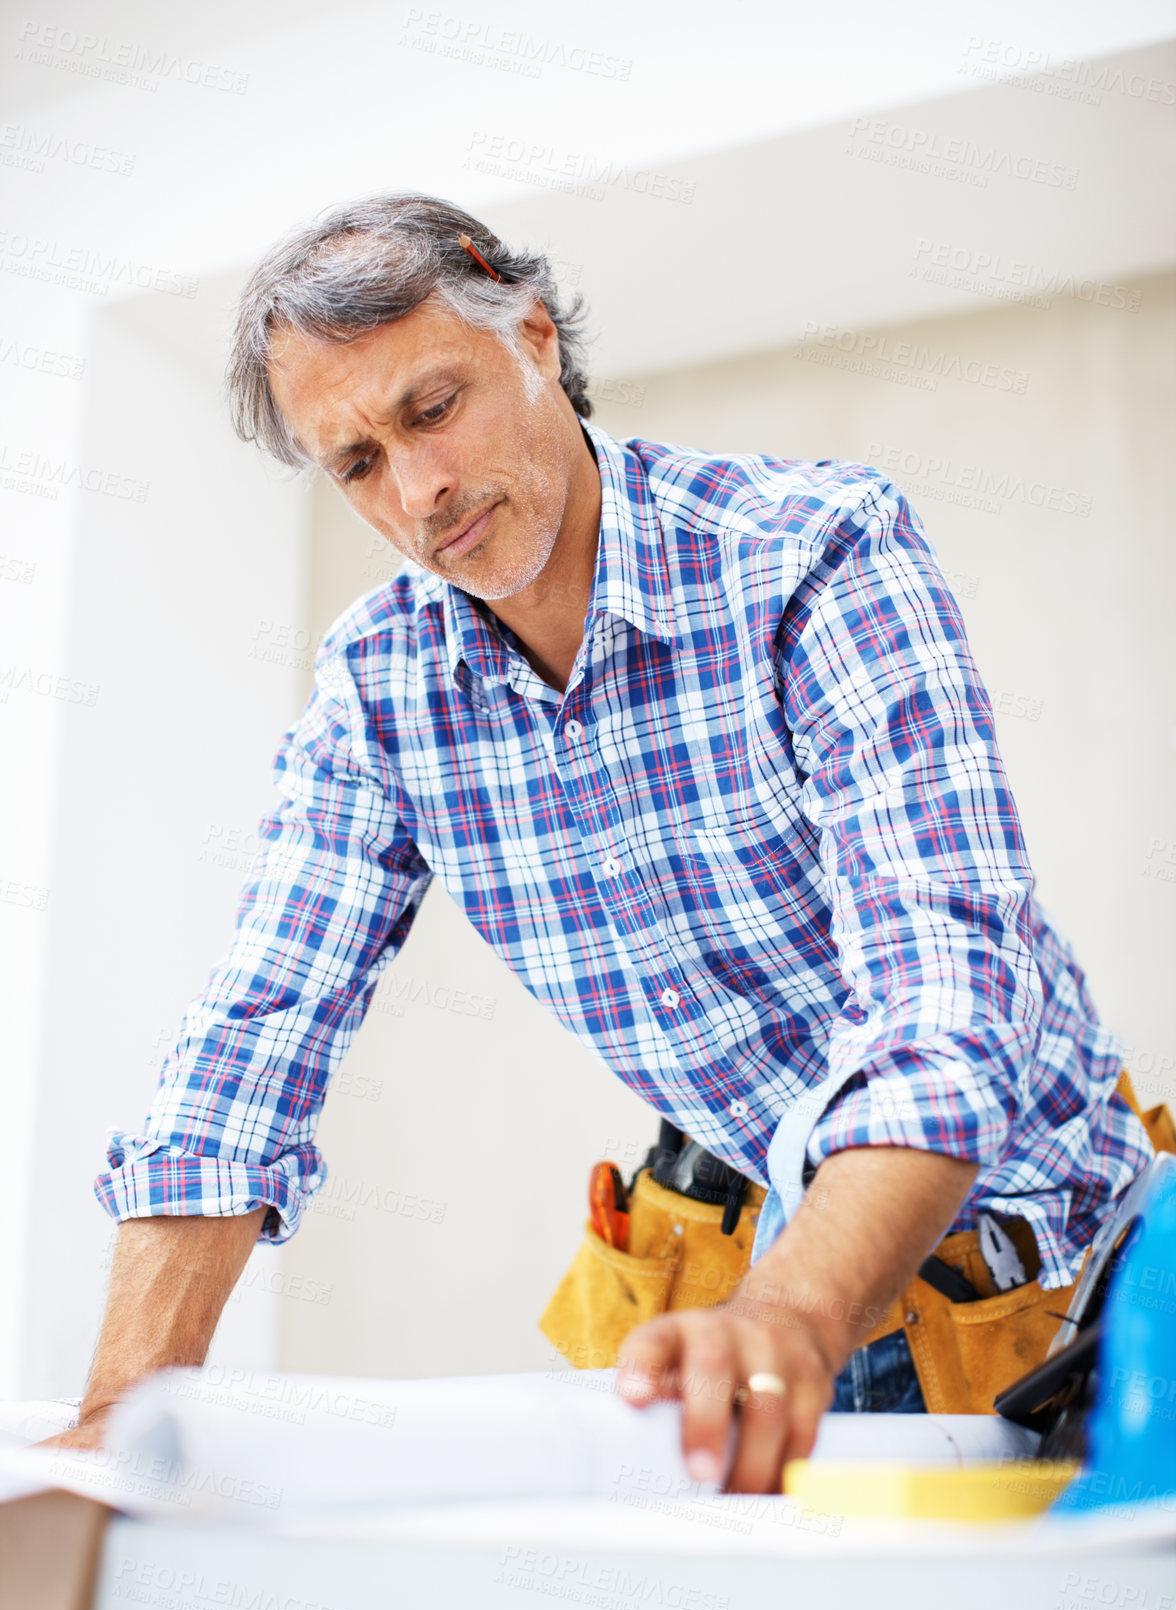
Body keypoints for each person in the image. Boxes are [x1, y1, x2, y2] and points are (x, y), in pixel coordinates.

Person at [48, 193, 1151, 1492]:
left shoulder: (809, 554)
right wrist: (111, 1431)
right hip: (757, 1279)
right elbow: (251, 1042)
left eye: (431, 409)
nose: (418, 495)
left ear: (531, 336)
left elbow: (950, 989)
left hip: (1055, 1293)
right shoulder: (383, 685)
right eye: (355, 464)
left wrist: (789, 1316)